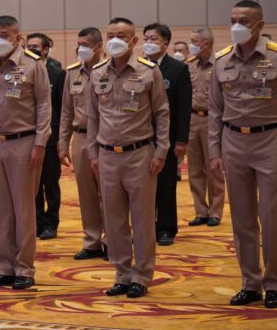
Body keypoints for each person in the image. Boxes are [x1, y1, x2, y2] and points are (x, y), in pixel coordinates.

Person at [209, 0, 277, 309]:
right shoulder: (222, 59)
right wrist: (214, 150)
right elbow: (215, 110)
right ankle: (250, 282)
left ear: (260, 25)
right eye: (232, 20)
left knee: (272, 216)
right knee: (242, 217)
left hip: (270, 140)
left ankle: (274, 284)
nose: (237, 26)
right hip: (233, 141)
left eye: (244, 21)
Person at [88, 17, 170, 299]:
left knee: (142, 218)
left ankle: (141, 276)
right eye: (110, 35)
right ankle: (122, 274)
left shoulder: (149, 71)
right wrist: (92, 152)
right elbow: (93, 117)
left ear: (134, 41)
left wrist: (161, 151)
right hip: (107, 155)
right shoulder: (97, 72)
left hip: (140, 154)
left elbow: (162, 113)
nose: (114, 40)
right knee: (113, 220)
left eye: (121, 36)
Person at [0, 15, 51, 290]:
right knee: (0, 209)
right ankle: (4, 266)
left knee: (23, 209)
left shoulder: (33, 64)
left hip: (23, 142)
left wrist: (40, 142)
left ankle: (24, 268)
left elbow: (44, 105)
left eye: (4, 35)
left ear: (18, 37)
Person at [58, 27, 107, 260]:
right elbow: (66, 112)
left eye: (85, 45)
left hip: (105, 139)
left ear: (98, 47)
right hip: (80, 138)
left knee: (109, 194)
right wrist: (62, 143)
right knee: (86, 194)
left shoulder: (110, 70)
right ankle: (92, 241)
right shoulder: (72, 73)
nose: (80, 49)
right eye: (79, 44)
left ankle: (112, 240)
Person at [142, 23, 192, 246]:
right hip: (140, 137)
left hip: (168, 137)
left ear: (165, 43)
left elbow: (184, 107)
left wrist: (181, 140)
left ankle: (165, 227)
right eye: (146, 38)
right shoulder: (138, 67)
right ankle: (145, 227)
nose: (148, 43)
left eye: (153, 39)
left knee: (166, 184)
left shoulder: (178, 69)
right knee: (142, 186)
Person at [27, 32, 65, 240]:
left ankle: (51, 223)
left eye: (35, 46)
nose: (31, 49)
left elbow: (62, 109)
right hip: (28, 135)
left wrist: (60, 139)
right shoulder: (22, 70)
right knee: (33, 184)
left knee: (50, 183)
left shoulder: (57, 74)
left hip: (50, 137)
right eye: (28, 46)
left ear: (45, 49)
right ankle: (37, 222)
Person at [186, 27, 225, 227]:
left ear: (206, 44)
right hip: (192, 119)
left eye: (195, 41)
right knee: (194, 169)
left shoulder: (220, 64)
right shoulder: (189, 65)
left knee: (214, 168)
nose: (191, 45)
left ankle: (215, 211)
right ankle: (200, 211)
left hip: (213, 120)